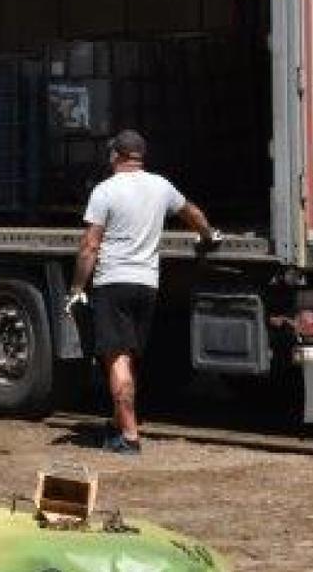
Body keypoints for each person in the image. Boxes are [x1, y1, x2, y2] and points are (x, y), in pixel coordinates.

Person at [67, 129, 217, 455]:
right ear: (140, 157)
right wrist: (207, 235)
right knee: (129, 357)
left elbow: (90, 245)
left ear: (115, 156)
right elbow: (191, 211)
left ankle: (130, 437)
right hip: (146, 285)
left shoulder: (105, 191)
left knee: (115, 359)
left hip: (112, 284)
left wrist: (78, 287)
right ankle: (119, 421)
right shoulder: (161, 186)